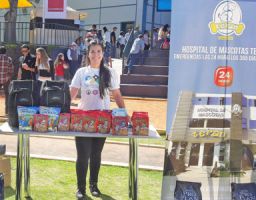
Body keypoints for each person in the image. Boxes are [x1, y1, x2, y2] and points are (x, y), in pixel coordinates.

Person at [70, 40, 125, 200]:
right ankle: (80, 189)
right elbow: (72, 93)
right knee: (83, 155)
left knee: (96, 154)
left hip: (102, 120)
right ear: (88, 54)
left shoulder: (110, 72)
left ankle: (93, 186)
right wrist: (62, 111)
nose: (96, 54)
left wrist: (123, 112)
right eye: (92, 51)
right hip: (84, 119)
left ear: (102, 53)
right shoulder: (81, 72)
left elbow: (116, 95)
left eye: (99, 51)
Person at [0, 46, 13, 115]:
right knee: (7, 95)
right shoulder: (8, 59)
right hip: (6, 79)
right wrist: (9, 77)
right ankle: (7, 112)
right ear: (5, 51)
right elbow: (11, 70)